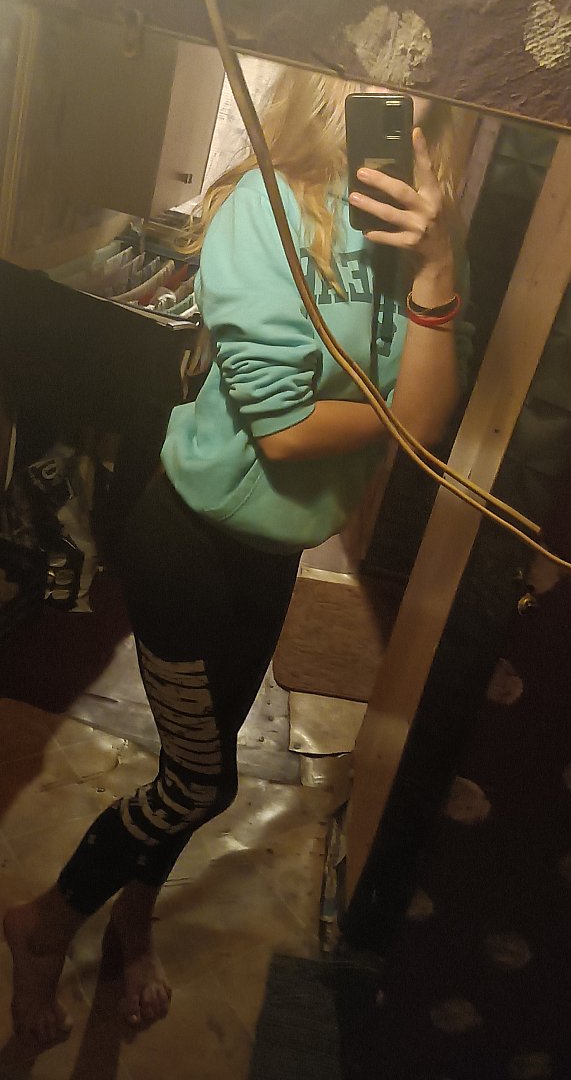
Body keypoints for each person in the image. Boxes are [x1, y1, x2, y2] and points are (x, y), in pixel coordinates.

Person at [3, 66, 473, 1046]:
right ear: (328, 81)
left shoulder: (409, 229)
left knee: (196, 759)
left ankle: (134, 920)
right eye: (390, 84)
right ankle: (43, 924)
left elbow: (429, 416)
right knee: (199, 782)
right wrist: (399, 406)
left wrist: (436, 268)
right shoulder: (264, 207)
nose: (412, 111)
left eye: (430, 97)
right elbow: (291, 432)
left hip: (272, 552)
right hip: (189, 547)